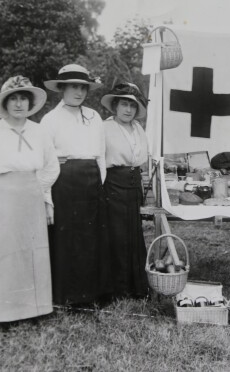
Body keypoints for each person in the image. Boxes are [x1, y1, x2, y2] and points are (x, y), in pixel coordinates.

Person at [0, 76, 59, 322]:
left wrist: (35, 189)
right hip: (4, 198)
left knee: (34, 252)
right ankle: (5, 314)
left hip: (32, 195)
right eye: (14, 99)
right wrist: (2, 196)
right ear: (5, 103)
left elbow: (52, 167)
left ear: (30, 102)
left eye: (23, 98)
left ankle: (35, 310)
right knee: (6, 254)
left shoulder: (39, 131)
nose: (19, 104)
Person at [41, 64, 112, 305]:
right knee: (68, 240)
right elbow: (45, 162)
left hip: (91, 181)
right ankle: (68, 296)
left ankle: (93, 293)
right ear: (62, 88)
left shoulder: (95, 117)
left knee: (92, 237)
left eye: (83, 87)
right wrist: (48, 199)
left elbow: (101, 155)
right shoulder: (49, 120)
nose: (79, 92)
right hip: (64, 182)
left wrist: (98, 183)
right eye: (73, 86)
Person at [101, 82, 150, 299]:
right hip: (113, 184)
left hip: (133, 184)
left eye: (132, 105)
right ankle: (118, 288)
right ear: (115, 105)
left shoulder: (138, 128)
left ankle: (136, 286)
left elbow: (141, 158)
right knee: (117, 235)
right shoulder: (105, 127)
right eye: (123, 104)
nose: (128, 110)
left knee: (134, 234)